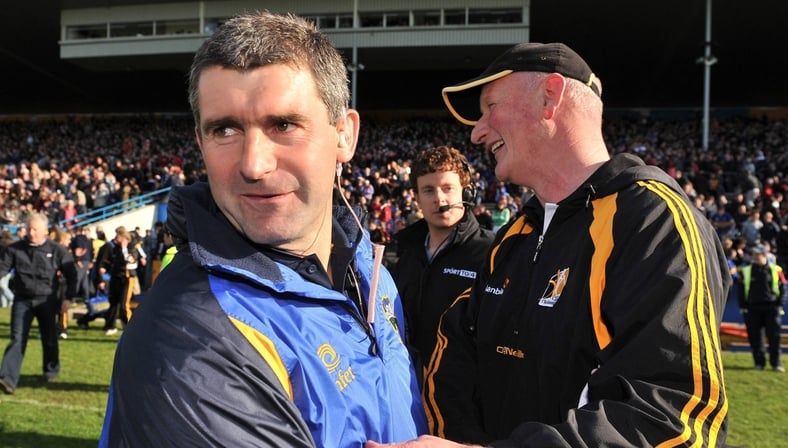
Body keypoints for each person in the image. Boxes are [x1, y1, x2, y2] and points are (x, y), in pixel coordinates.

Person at [370, 42, 731, 447]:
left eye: (490, 106)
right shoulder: (515, 237)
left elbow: (672, 418)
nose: (477, 132)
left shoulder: (652, 220)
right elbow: (453, 359)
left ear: (550, 97)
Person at [99, 11, 426, 447]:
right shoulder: (190, 337)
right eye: (225, 129)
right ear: (200, 142)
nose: (254, 164)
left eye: (284, 125)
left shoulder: (370, 270)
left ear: (345, 134)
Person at [391, 146, 494, 384]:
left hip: (468, 404)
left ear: (465, 194)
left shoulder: (491, 252)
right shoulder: (403, 253)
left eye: (448, 188)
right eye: (429, 190)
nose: (439, 199)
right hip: (411, 394)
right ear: (416, 198)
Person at [0, 213, 77, 394]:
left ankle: (51, 370)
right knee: (17, 338)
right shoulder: (15, 249)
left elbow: (71, 274)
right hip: (23, 300)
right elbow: (2, 268)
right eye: (29, 229)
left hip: (47, 300)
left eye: (35, 229)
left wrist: (69, 298)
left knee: (49, 336)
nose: (31, 233)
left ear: (45, 231)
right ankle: (7, 378)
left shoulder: (57, 250)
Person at [738, 244, 788, 372]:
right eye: (753, 254)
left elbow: (784, 290)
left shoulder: (776, 270)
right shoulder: (747, 270)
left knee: (774, 337)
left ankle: (776, 364)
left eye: (758, 254)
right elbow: (741, 290)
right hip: (753, 308)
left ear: (765, 255)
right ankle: (759, 364)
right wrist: (744, 307)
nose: (755, 256)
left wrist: (779, 305)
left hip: (771, 308)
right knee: (755, 338)